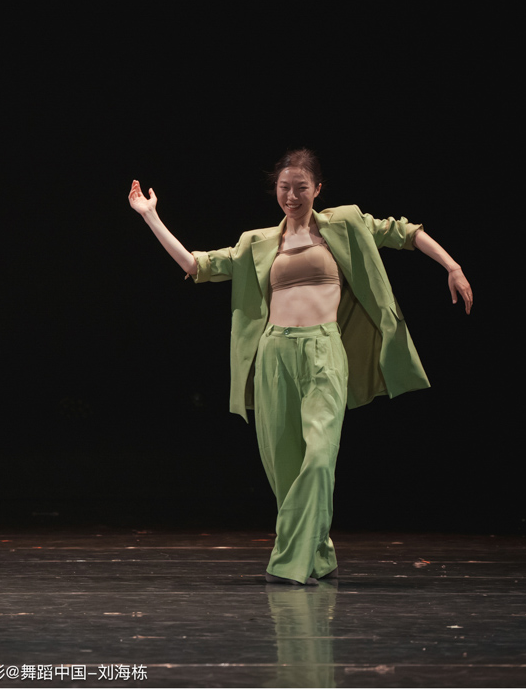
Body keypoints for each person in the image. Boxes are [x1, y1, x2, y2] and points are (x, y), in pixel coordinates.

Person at [127, 149, 472, 585]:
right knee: (285, 466)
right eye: (284, 188)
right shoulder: (257, 242)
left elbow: (406, 233)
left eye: (301, 188)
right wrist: (150, 216)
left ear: (318, 190)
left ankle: (287, 561)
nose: (291, 196)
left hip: (324, 351)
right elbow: (196, 265)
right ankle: (320, 554)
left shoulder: (344, 224)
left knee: (320, 457)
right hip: (273, 355)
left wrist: (453, 266)